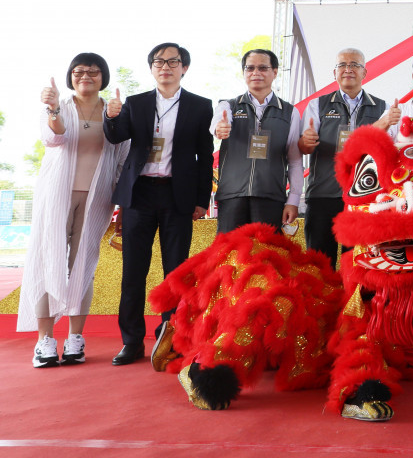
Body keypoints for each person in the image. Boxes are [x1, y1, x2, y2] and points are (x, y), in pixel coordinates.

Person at [104, 42, 214, 366]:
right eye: (158, 62)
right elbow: (115, 136)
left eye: (173, 61)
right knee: (133, 272)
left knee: (175, 273)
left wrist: (201, 198)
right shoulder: (136, 104)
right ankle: (132, 342)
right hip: (139, 195)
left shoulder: (199, 105)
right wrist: (111, 117)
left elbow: (204, 155)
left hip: (176, 196)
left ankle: (171, 338)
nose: (165, 66)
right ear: (151, 68)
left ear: (184, 68)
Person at [19, 54, 129, 367]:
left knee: (83, 264)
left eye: (94, 72)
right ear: (71, 76)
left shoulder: (114, 110)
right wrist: (53, 109)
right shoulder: (59, 106)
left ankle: (75, 339)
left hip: (97, 199)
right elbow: (53, 138)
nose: (86, 76)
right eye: (79, 72)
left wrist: (119, 200)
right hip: (55, 195)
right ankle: (44, 341)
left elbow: (122, 157)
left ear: (103, 77)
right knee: (46, 260)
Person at [298, 48, 389, 268]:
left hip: (364, 200)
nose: (348, 69)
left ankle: (355, 304)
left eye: (354, 65)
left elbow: (387, 153)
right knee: (319, 266)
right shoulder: (317, 105)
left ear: (365, 72)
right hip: (323, 195)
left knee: (358, 265)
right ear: (334, 72)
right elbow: (302, 148)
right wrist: (306, 141)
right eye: (342, 65)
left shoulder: (381, 107)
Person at [212, 49, 303, 234]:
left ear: (274, 72)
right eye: (250, 68)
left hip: (271, 196)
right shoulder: (228, 105)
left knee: (267, 257)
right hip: (232, 196)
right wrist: (219, 128)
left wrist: (293, 200)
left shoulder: (289, 112)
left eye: (262, 68)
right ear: (244, 72)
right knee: (230, 256)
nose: (256, 73)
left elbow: (295, 160)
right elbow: (217, 123)